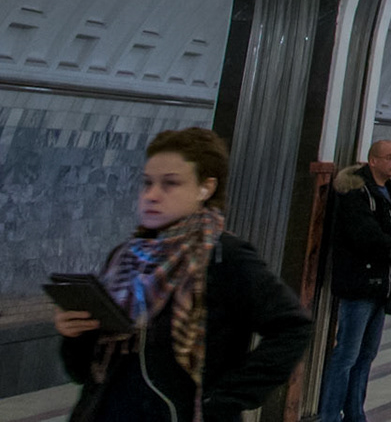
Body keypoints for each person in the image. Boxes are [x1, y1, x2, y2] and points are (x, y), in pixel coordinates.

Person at [53, 127, 312, 422]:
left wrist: (225, 399)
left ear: (206, 188)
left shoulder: (226, 257)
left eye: (170, 184)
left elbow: (293, 327)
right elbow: (83, 371)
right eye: (147, 183)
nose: (152, 195)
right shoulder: (125, 258)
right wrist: (74, 334)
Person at [318, 137, 391, 422]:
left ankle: (355, 413)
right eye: (389, 156)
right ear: (373, 160)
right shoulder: (356, 192)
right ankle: (328, 415)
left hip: (381, 285)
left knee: (366, 356)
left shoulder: (390, 192)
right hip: (359, 285)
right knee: (347, 355)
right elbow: (365, 234)